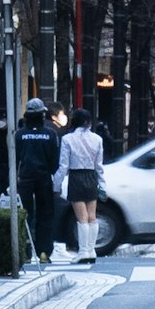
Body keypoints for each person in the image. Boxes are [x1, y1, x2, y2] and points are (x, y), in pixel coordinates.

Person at [13, 99, 66, 262]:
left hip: (25, 178)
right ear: (42, 115)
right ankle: (44, 252)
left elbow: (15, 157)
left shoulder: (20, 134)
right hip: (44, 178)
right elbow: (55, 161)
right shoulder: (50, 134)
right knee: (45, 215)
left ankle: (25, 252)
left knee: (24, 215)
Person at [60, 109, 109, 260]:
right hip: (91, 176)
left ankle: (83, 252)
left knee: (81, 217)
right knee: (92, 216)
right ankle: (91, 250)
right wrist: (102, 185)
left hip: (76, 176)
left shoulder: (67, 139)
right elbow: (99, 166)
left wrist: (57, 185)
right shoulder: (97, 139)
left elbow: (63, 165)